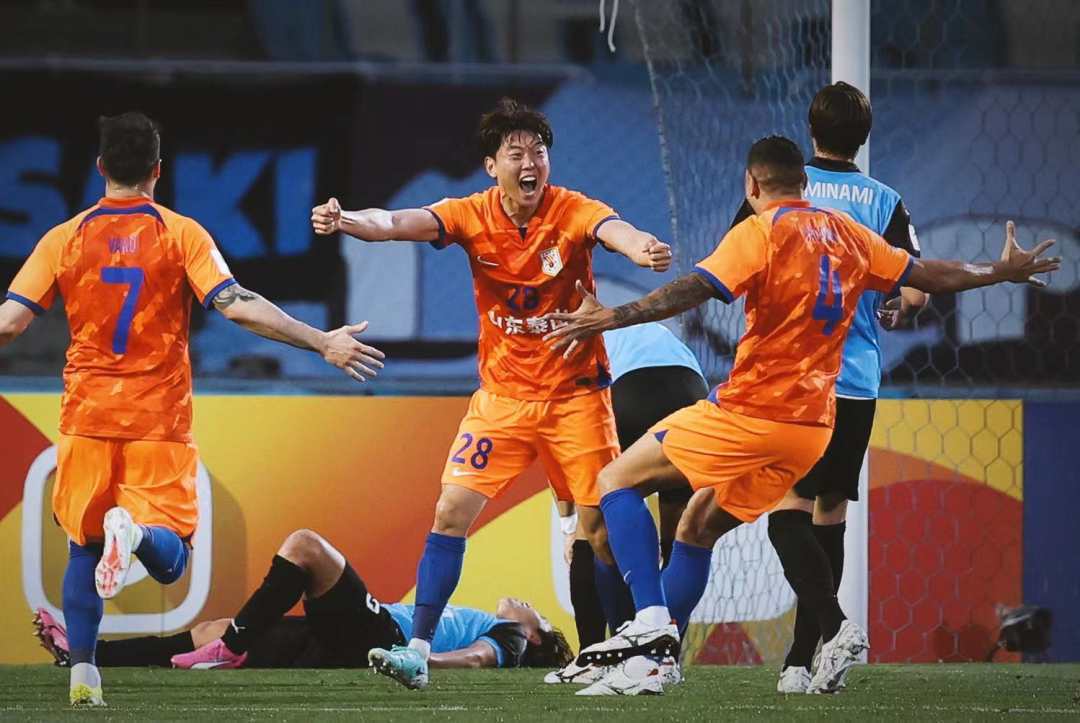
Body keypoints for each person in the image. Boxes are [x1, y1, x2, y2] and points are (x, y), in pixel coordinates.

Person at [542, 135, 1058, 696]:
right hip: (812, 429)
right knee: (696, 526)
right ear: (804, 184)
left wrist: (614, 317)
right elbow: (928, 275)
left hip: (751, 413)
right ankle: (661, 663)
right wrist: (997, 271)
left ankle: (648, 624)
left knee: (615, 481)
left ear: (752, 185)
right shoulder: (848, 233)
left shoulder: (760, 231)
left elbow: (693, 289)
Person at [0, 112, 384, 707]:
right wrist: (320, 340)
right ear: (158, 170)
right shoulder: (181, 234)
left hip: (86, 417)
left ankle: (84, 676)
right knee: (171, 558)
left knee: (83, 545)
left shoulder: (64, 238)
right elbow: (237, 305)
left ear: (100, 168)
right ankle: (135, 535)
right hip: (158, 420)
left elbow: (10, 322)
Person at [310, 98, 672, 690]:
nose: (530, 163)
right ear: (491, 166)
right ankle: (418, 651)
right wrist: (347, 219)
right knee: (449, 511)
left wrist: (641, 248)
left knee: (602, 533)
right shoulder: (470, 214)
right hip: (501, 401)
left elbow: (615, 230)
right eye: (516, 153)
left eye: (539, 152)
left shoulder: (572, 209)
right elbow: (395, 223)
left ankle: (628, 648)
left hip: (576, 398)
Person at [731, 81, 928, 693]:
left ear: (811, 131)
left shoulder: (786, 186)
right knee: (830, 511)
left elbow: (740, 262)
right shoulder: (886, 200)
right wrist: (894, 305)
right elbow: (916, 289)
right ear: (863, 138)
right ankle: (805, 660)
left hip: (793, 378)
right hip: (857, 378)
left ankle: (822, 641)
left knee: (787, 512)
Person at [33, 529, 573, 671]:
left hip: (383, 640)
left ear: (536, 636)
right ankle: (85, 654)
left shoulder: (509, 638)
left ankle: (233, 646)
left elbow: (476, 659)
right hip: (354, 645)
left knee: (306, 547)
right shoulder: (495, 625)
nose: (529, 603)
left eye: (540, 615)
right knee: (212, 630)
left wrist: (414, 659)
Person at [548, 322, 707, 685]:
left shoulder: (572, 349)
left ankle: (599, 657)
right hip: (690, 394)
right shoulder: (658, 333)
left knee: (596, 533)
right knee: (680, 536)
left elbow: (561, 450)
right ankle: (664, 660)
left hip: (627, 394)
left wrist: (570, 526)